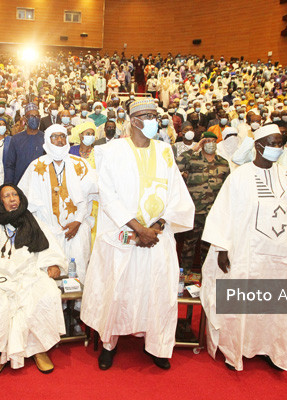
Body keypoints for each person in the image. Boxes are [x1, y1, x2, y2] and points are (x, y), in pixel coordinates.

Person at [81, 98, 194, 371]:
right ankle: (110, 344)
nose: (156, 120)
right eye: (149, 115)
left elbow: (177, 193)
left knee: (157, 291)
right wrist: (139, 229)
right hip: (123, 234)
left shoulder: (166, 150)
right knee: (117, 289)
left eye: (156, 115)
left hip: (158, 236)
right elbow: (108, 195)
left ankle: (157, 345)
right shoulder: (112, 150)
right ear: (133, 120)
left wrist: (159, 225)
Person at [200, 124, 287, 372]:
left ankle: (271, 349)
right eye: (272, 143)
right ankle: (236, 351)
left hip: (279, 254)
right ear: (258, 145)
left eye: (280, 143)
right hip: (245, 252)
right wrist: (221, 248)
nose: (277, 148)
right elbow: (224, 214)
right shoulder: (239, 176)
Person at [0, 184, 67, 377]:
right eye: (6, 196)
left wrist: (53, 264)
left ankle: (38, 349)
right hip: (0, 277)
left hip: (30, 275)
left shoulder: (33, 220)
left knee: (48, 293)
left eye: (15, 194)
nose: (12, 198)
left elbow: (51, 247)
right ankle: (0, 353)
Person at [19, 124, 98, 280]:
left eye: (62, 136)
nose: (60, 140)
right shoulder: (36, 166)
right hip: (47, 231)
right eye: (54, 137)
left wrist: (77, 221)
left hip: (77, 229)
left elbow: (91, 196)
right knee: (48, 275)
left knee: (78, 272)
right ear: (47, 140)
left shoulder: (80, 164)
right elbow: (25, 201)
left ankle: (75, 305)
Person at [176, 132, 230, 272]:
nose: (210, 143)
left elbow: (227, 189)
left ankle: (206, 275)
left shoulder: (223, 163)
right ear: (202, 143)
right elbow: (176, 165)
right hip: (195, 211)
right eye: (207, 141)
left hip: (213, 212)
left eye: (213, 141)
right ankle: (185, 275)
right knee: (189, 245)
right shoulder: (193, 160)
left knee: (209, 246)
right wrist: (194, 148)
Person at [4, 103, 45, 184]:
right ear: (25, 119)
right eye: (31, 116)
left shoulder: (45, 138)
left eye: (36, 116)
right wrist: (9, 185)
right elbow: (10, 165)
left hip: (41, 183)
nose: (34, 118)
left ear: (40, 118)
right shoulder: (16, 139)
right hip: (20, 183)